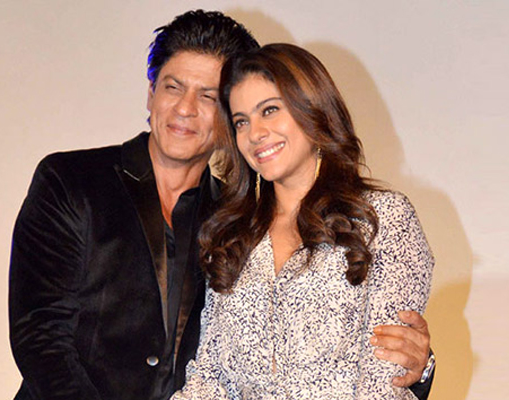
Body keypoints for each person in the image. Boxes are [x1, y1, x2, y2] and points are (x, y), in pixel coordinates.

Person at [8, 10, 434, 400]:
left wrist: (420, 369)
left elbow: (384, 363)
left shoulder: (229, 218)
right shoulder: (74, 181)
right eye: (173, 87)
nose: (185, 109)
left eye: (209, 97)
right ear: (151, 93)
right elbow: (40, 334)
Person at [172, 43, 435, 399]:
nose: (255, 133)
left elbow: (383, 380)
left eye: (270, 110)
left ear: (313, 109)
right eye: (241, 122)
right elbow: (210, 377)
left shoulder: (381, 219)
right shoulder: (233, 237)